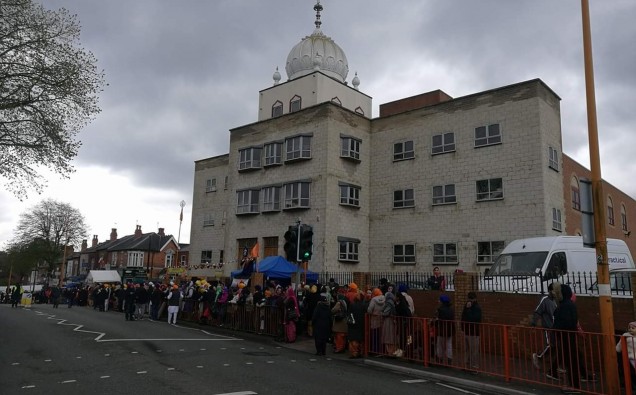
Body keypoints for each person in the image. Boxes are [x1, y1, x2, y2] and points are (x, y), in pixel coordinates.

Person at [551, 284, 580, 389]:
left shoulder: (565, 306)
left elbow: (565, 322)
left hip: (566, 337)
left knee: (571, 362)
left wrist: (556, 329)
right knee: (571, 362)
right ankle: (573, 384)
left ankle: (574, 386)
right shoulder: (568, 305)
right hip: (567, 337)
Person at [531, 282, 557, 369]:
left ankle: (555, 365)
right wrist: (533, 322)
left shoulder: (554, 302)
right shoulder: (545, 299)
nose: (556, 292)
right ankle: (538, 357)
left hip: (555, 328)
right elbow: (538, 311)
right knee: (550, 345)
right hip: (548, 327)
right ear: (550, 291)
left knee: (556, 347)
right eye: (554, 290)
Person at [461, 292, 482, 371]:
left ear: (475, 299)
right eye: (469, 299)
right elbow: (463, 317)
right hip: (466, 330)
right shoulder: (466, 306)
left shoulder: (477, 307)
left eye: (471, 299)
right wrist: (462, 328)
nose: (470, 300)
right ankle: (466, 364)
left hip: (473, 332)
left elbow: (475, 319)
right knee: (466, 349)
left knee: (474, 350)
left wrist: (469, 309)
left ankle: (475, 366)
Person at [435, 294, 455, 364]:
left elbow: (437, 319)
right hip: (450, 330)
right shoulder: (451, 309)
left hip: (441, 330)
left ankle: (440, 358)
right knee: (449, 344)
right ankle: (449, 358)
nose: (438, 301)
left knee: (440, 345)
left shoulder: (440, 310)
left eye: (439, 300)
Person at [347, 290, 366, 358]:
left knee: (353, 340)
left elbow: (349, 314)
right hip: (361, 324)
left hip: (353, 324)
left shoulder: (352, 305)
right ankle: (360, 352)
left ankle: (354, 353)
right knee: (360, 339)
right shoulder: (363, 305)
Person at [367, 288, 385, 354]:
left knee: (374, 336)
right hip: (381, 319)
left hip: (374, 319)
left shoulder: (373, 299)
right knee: (381, 336)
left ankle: (374, 350)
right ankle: (381, 350)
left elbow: (369, 310)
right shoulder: (384, 298)